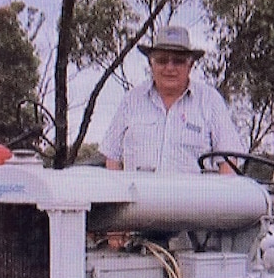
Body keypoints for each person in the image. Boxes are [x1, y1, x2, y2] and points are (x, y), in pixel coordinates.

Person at [100, 25, 245, 174]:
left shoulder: (210, 101)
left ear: (191, 65)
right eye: (162, 60)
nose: (170, 67)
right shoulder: (131, 100)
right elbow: (112, 157)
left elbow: (229, 162)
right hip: (137, 196)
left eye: (178, 61)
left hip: (195, 196)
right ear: (151, 63)